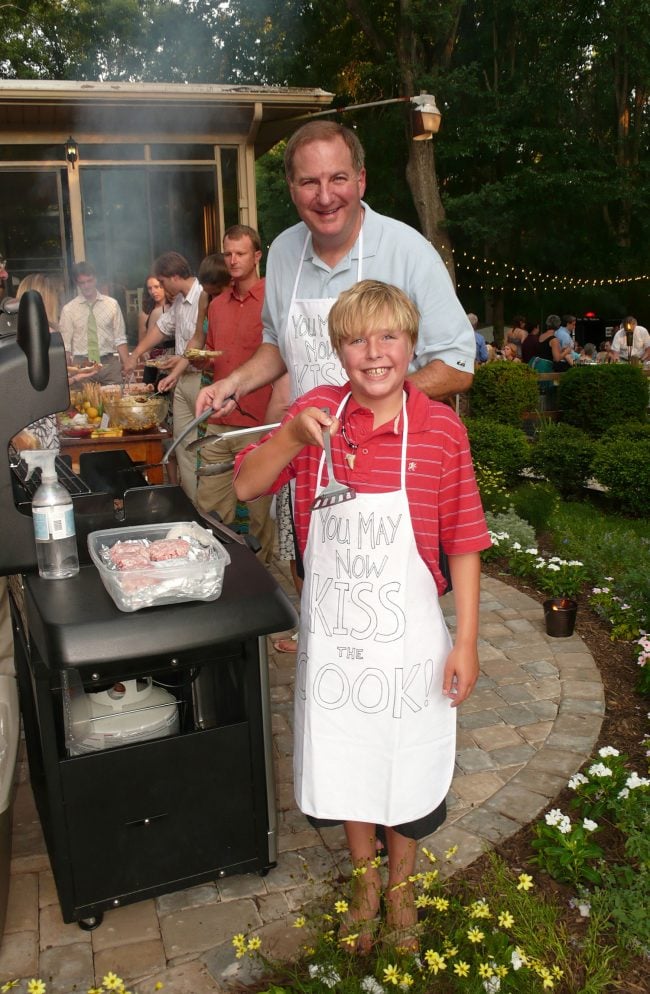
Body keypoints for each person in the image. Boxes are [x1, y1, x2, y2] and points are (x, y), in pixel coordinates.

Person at [234, 280, 490, 953]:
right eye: (356, 339)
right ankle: (364, 881)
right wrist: (291, 432)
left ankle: (400, 886)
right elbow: (245, 484)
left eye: (388, 338)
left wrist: (465, 641)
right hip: (337, 641)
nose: (373, 353)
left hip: (408, 639)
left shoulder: (440, 429)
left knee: (400, 761)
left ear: (411, 345)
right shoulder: (318, 414)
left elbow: (463, 541)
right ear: (338, 349)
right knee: (348, 757)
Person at [196, 120, 475, 425]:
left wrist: (371, 403)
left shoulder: (410, 251)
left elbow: (456, 366)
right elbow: (278, 343)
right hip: (310, 453)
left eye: (338, 178)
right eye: (309, 182)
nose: (325, 197)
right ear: (292, 188)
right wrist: (235, 382)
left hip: (390, 453)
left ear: (361, 180)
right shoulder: (283, 252)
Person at [193, 226, 276, 562]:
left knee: (260, 516)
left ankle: (265, 582)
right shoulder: (217, 305)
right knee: (209, 509)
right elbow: (212, 356)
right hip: (218, 421)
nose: (232, 260)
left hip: (259, 423)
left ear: (257, 256)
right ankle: (219, 575)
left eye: (240, 253)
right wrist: (198, 361)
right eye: (228, 254)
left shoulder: (274, 297)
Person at [124, 251, 204, 502]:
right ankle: (193, 506)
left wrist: (180, 362)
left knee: (204, 448)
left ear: (175, 276)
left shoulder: (203, 295)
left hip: (203, 379)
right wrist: (136, 353)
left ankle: (208, 506)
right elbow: (161, 328)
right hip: (181, 379)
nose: (160, 288)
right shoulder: (180, 300)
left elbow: (200, 341)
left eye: (162, 281)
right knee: (183, 447)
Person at [59, 262, 128, 385]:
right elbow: (66, 346)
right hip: (81, 365)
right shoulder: (68, 309)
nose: (86, 286)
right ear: (77, 283)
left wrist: (127, 365)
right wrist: (66, 371)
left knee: (115, 401)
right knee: (84, 403)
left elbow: (120, 339)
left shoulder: (112, 304)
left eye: (89, 281)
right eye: (82, 283)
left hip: (109, 363)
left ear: (96, 279)